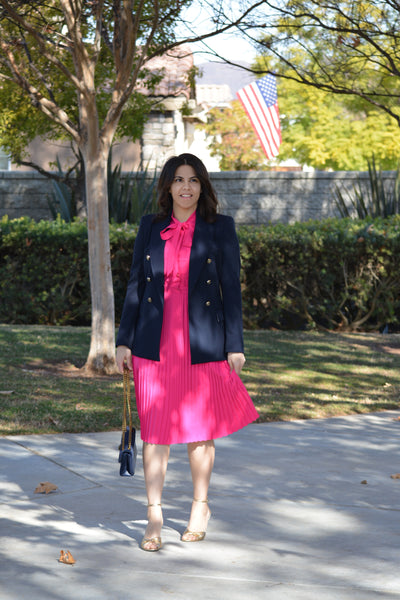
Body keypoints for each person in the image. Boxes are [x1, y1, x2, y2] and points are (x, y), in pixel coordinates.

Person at [116, 153, 258, 552]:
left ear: (203, 186)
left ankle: (200, 506)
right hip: (152, 343)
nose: (186, 187)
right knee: (155, 435)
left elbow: (231, 290)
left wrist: (235, 345)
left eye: (193, 180)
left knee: (200, 434)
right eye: (178, 180)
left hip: (202, 344)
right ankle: (154, 514)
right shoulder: (150, 227)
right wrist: (123, 340)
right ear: (167, 186)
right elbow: (134, 287)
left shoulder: (220, 229)